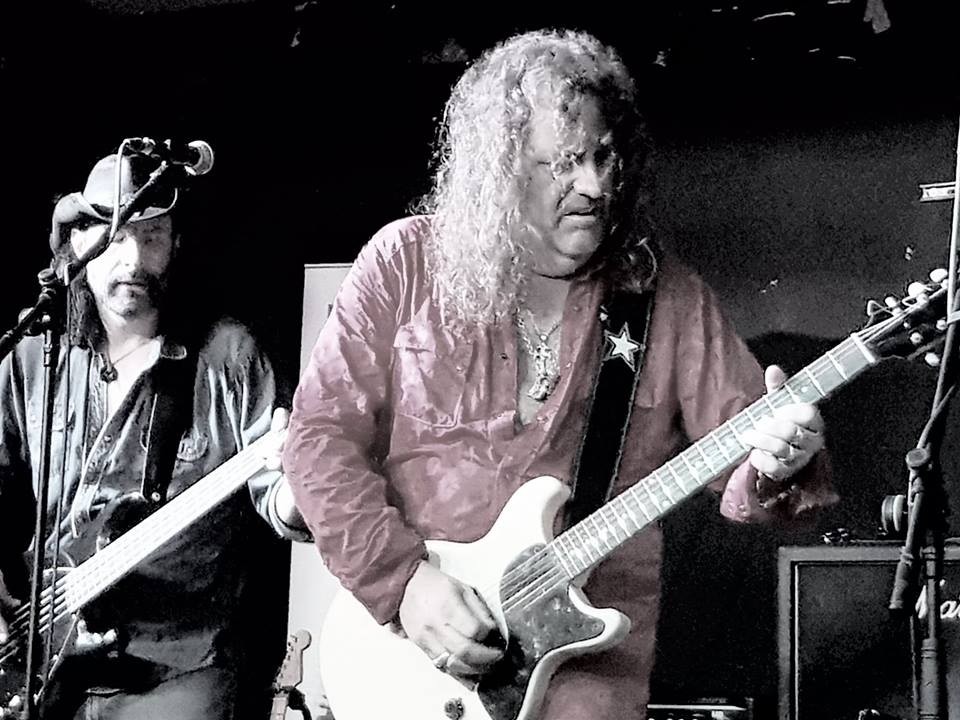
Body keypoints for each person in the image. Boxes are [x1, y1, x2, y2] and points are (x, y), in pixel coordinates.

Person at [282, 28, 838, 720]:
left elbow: (748, 459)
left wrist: (782, 458)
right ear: (500, 165)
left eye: (605, 157)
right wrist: (403, 583)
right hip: (405, 659)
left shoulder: (665, 299)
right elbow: (318, 440)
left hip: (587, 678)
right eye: (566, 162)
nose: (596, 185)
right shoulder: (405, 264)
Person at [0, 149, 308, 719]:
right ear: (77, 245)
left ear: (176, 245)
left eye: (153, 236)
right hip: (38, 655)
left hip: (175, 665)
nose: (135, 259)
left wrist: (302, 488)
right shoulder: (32, 358)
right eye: (117, 237)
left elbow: (282, 501)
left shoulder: (228, 357)